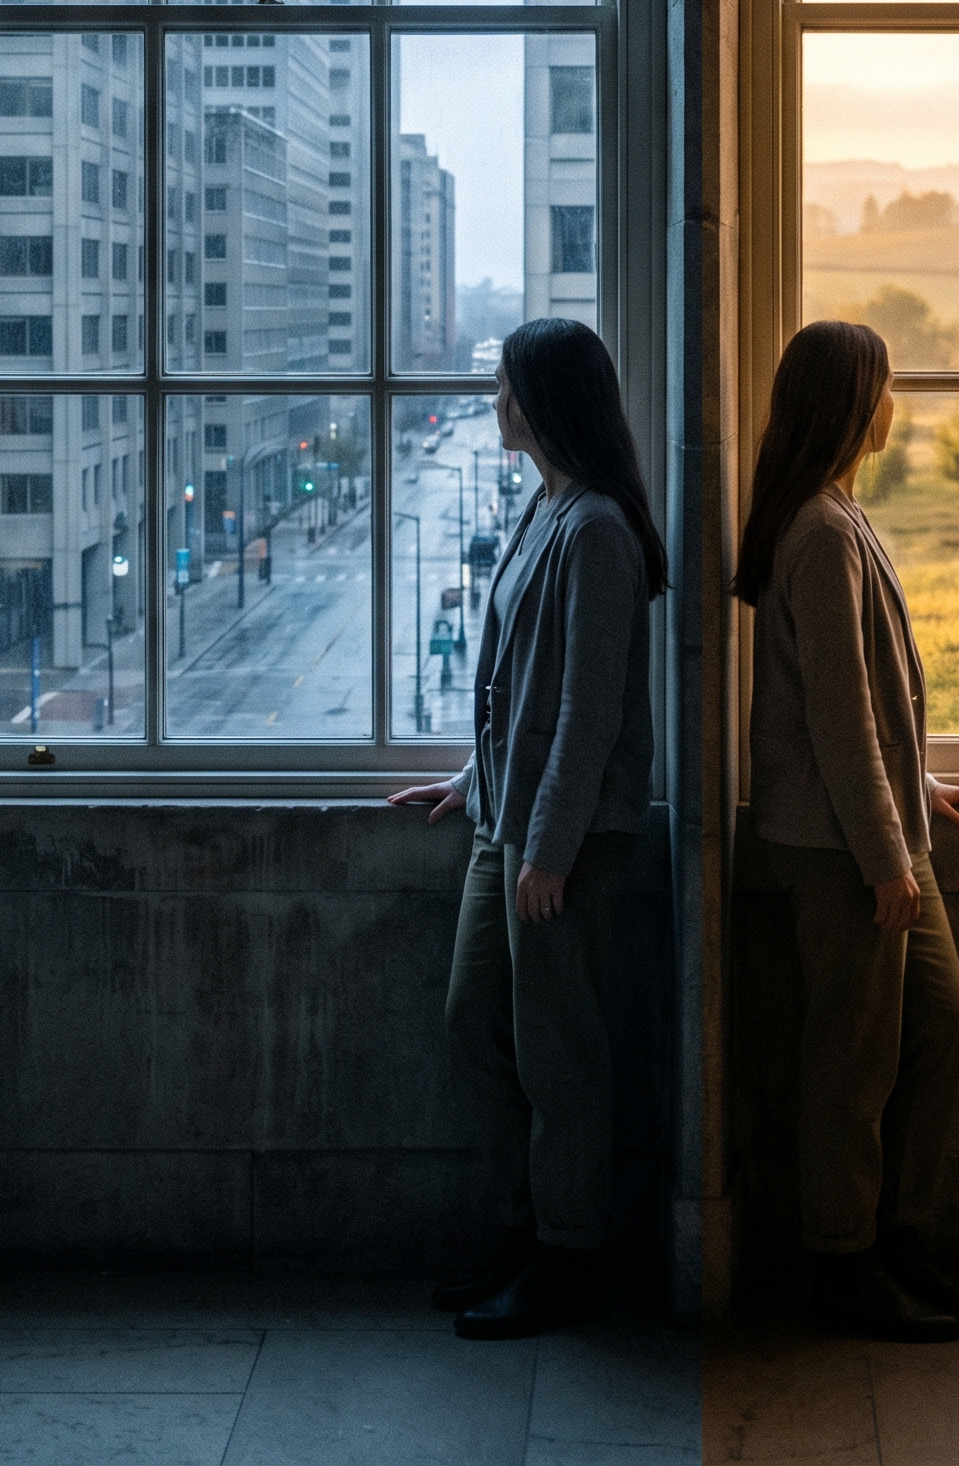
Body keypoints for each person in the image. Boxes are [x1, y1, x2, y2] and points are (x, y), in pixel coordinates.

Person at [391, 318, 666, 1341]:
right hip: (503, 823)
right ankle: (523, 1232)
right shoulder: (545, 504)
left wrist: (547, 849)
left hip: (562, 841)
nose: (494, 403)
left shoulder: (595, 527)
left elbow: (591, 709)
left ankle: (565, 1259)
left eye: (506, 388)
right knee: (477, 1022)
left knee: (561, 1056)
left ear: (548, 402)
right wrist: (472, 779)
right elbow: (521, 687)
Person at [735, 318, 959, 1342]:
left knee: (941, 1024)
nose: (897, 403)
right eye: (885, 386)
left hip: (880, 833)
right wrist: (884, 853)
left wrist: (915, 787)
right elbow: (837, 719)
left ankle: (900, 1232)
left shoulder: (838, 515)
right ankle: (842, 1263)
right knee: (850, 1061)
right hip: (842, 852)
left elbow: (866, 712)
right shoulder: (816, 530)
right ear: (852, 402)